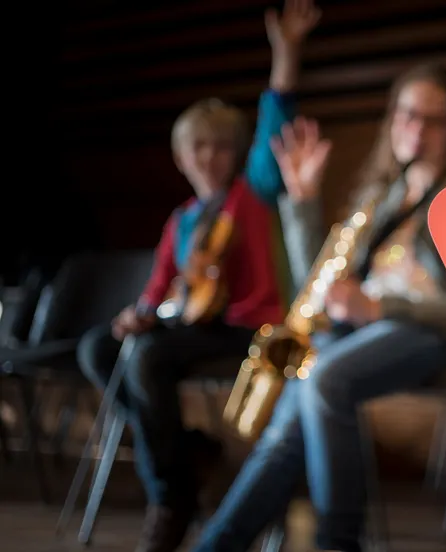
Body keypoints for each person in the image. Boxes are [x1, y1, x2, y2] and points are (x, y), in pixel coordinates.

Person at [189, 3, 446, 552]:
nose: (416, 128)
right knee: (284, 430)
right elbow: (319, 278)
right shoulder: (383, 197)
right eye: (407, 114)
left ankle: (336, 542)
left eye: (433, 119)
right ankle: (217, 545)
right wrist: (303, 200)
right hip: (360, 333)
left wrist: (383, 310)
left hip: (433, 335)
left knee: (325, 379)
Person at [74, 5, 309, 551]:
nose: (209, 155)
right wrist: (137, 313)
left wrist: (286, 54)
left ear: (236, 153)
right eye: (197, 146)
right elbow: (157, 292)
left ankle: (170, 497)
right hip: (191, 328)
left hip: (244, 328)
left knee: (150, 358)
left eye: (221, 145)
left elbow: (275, 122)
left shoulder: (249, 197)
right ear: (181, 158)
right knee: (97, 348)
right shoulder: (180, 220)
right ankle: (186, 453)